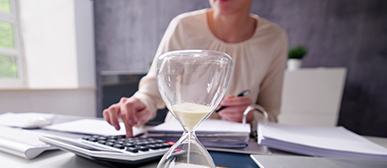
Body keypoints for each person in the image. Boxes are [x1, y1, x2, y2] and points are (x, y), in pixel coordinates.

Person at [103, 0, 288, 137]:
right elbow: (155, 90)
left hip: (239, 145)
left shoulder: (274, 38)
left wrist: (250, 115)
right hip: (178, 137)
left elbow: (270, 112)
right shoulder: (183, 26)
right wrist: (140, 102)